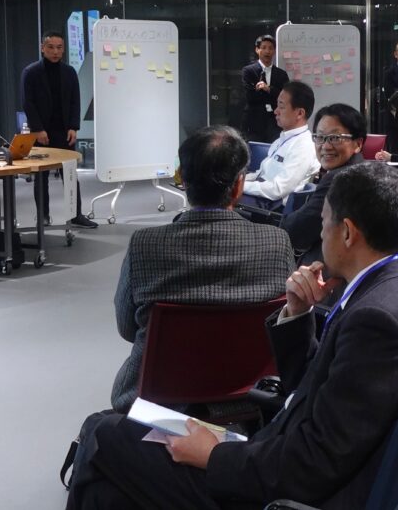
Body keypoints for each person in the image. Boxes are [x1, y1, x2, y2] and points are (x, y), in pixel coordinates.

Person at [67, 162, 398, 510]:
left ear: (348, 233)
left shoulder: (376, 322)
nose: (320, 236)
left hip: (282, 490)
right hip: (284, 455)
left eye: (324, 224)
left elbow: (312, 465)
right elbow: (321, 394)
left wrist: (212, 455)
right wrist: (297, 314)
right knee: (106, 487)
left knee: (103, 435)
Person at [110, 126, 294, 413]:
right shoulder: (277, 243)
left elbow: (127, 328)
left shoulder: (144, 245)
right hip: (249, 394)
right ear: (239, 185)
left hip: (157, 396)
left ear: (182, 180)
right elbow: (284, 326)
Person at [20, 30, 96, 228]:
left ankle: (76, 215)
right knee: (41, 177)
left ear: (63, 49)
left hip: (64, 131)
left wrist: (73, 127)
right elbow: (28, 103)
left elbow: (75, 101)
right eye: (51, 47)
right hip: (41, 133)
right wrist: (38, 129)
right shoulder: (31, 72)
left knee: (70, 175)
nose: (55, 51)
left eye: (59, 47)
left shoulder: (69, 72)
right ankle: (43, 216)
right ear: (42, 48)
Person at [282, 103, 365, 264]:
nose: (326, 146)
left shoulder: (339, 179)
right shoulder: (361, 168)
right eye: (320, 137)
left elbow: (296, 231)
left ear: (358, 144)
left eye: (335, 138)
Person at [240, 81, 320, 210]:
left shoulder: (304, 146)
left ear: (300, 113)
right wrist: (237, 180)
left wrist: (240, 186)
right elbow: (261, 174)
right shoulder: (281, 139)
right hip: (262, 196)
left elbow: (278, 189)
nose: (276, 111)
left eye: (281, 107)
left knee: (219, 200)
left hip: (271, 206)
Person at [241, 35, 288, 143]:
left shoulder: (281, 74)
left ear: (274, 51)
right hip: (254, 121)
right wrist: (274, 95)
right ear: (257, 50)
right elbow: (250, 97)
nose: (267, 51)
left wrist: (268, 89)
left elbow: (285, 97)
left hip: (275, 121)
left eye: (270, 48)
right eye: (264, 47)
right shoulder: (248, 71)